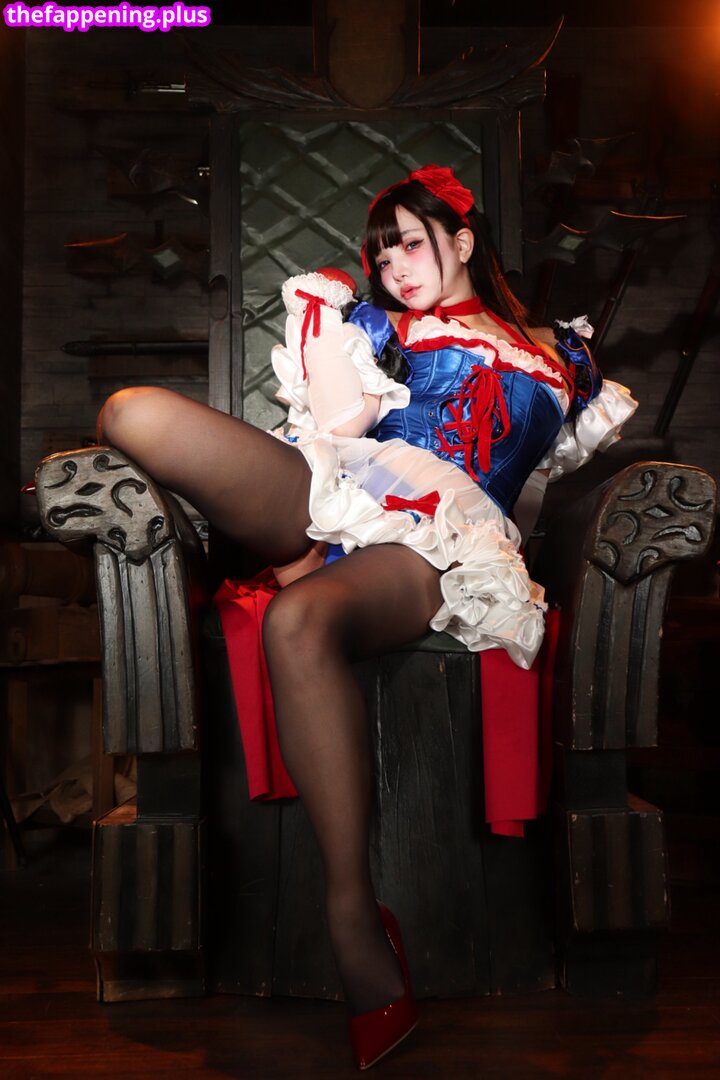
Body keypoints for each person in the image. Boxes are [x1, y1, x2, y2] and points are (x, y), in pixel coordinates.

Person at [96, 164, 636, 1070]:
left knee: (296, 623)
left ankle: (353, 915)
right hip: (343, 484)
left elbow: (537, 483)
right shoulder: (377, 328)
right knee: (131, 412)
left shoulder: (562, 354)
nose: (394, 269)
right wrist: (323, 318)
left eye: (411, 245)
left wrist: (509, 556)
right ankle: (299, 551)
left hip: (439, 530)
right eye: (382, 256)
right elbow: (338, 424)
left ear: (463, 241)